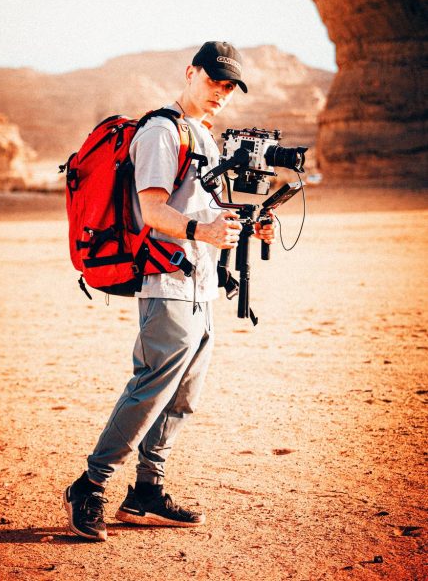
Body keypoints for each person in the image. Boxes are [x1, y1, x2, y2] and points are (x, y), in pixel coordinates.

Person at [63, 41, 275, 541]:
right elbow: (153, 211)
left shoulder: (206, 135)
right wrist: (202, 234)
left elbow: (209, 210)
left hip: (201, 282)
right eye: (214, 81)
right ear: (190, 72)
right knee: (151, 388)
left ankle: (145, 493)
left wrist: (251, 224)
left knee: (183, 396)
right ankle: (89, 487)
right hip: (166, 280)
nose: (221, 93)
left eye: (229, 87)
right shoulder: (162, 131)